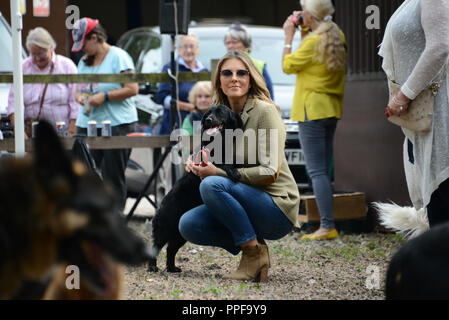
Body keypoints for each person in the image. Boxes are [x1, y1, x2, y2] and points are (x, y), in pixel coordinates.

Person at [178, 50, 300, 282]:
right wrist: (196, 159)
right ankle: (255, 248)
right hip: (244, 202)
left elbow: (269, 171)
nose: (234, 78)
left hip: (276, 206)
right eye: (227, 73)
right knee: (189, 224)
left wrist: (218, 173)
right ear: (219, 82)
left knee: (212, 184)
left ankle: (252, 255)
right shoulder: (220, 116)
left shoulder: (264, 111)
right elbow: (212, 153)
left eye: (241, 73)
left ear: (250, 79)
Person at [379, 0, 449, 227]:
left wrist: (404, 95)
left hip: (439, 112)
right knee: (438, 211)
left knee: (442, 203)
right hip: (425, 115)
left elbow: (440, 46)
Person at [282, 0, 346, 240]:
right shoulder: (336, 34)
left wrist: (289, 36)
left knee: (316, 171)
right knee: (324, 172)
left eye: (304, 9)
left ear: (311, 14)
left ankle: (326, 226)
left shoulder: (313, 41)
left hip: (310, 110)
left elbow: (288, 65)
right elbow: (306, 61)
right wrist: (304, 31)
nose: (300, 12)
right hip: (330, 108)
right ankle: (327, 223)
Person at [72, 17, 138, 210]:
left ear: (94, 38)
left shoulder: (119, 56)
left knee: (112, 176)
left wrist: (105, 96)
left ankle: (115, 219)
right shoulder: (84, 62)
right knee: (82, 173)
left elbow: (133, 88)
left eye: (83, 44)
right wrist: (80, 97)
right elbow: (78, 89)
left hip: (116, 123)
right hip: (87, 123)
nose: (82, 49)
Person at [7, 27, 80, 137]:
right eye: (33, 54)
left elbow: (76, 102)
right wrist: (19, 131)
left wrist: (72, 130)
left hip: (61, 134)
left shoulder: (67, 66)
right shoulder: (23, 67)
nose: (37, 58)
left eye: (41, 54)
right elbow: (13, 103)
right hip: (32, 134)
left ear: (51, 48)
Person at [156, 33, 208, 135]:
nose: (188, 50)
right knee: (178, 149)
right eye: (185, 46)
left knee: (199, 148)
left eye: (191, 47)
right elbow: (162, 97)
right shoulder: (170, 68)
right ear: (179, 50)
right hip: (175, 123)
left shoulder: (204, 71)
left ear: (197, 50)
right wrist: (190, 107)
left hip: (199, 123)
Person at [224, 23, 275, 100]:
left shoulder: (258, 65)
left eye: (234, 42)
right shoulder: (222, 64)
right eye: (228, 43)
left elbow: (269, 95)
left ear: (245, 44)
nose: (230, 46)